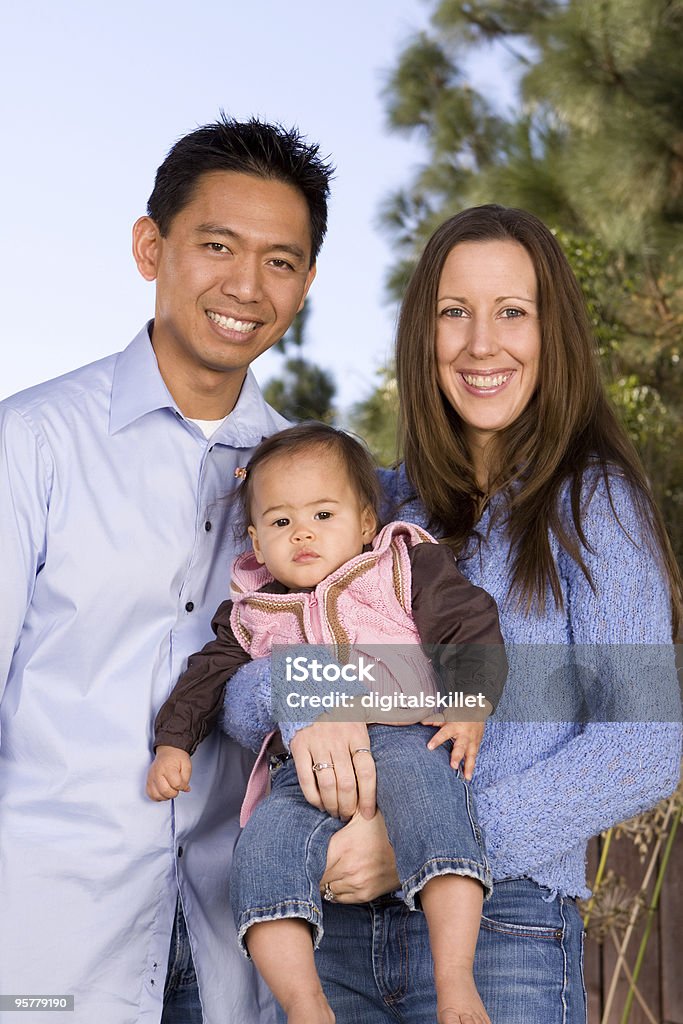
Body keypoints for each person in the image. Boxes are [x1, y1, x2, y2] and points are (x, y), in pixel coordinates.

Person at [222, 205, 682, 1023]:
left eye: (512, 311)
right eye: (452, 312)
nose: (480, 343)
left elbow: (645, 740)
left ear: (554, 333)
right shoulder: (369, 508)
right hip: (334, 937)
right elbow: (236, 685)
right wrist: (302, 690)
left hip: (505, 931)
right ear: (420, 333)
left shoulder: (594, 504)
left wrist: (427, 848)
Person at [0, 115, 333, 1024]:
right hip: (51, 946)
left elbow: (397, 659)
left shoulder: (312, 487)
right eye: (216, 245)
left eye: (279, 260)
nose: (245, 286)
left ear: (305, 283)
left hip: (237, 952)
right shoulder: (28, 446)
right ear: (152, 247)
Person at [146, 422, 508, 1024]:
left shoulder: (399, 564)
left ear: (365, 522)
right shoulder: (251, 611)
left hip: (406, 737)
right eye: (281, 522)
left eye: (322, 514)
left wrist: (472, 703)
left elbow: (468, 623)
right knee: (260, 857)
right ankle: (306, 1004)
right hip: (300, 772)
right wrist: (172, 742)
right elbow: (206, 681)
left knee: (436, 817)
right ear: (257, 544)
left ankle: (456, 981)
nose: (303, 533)